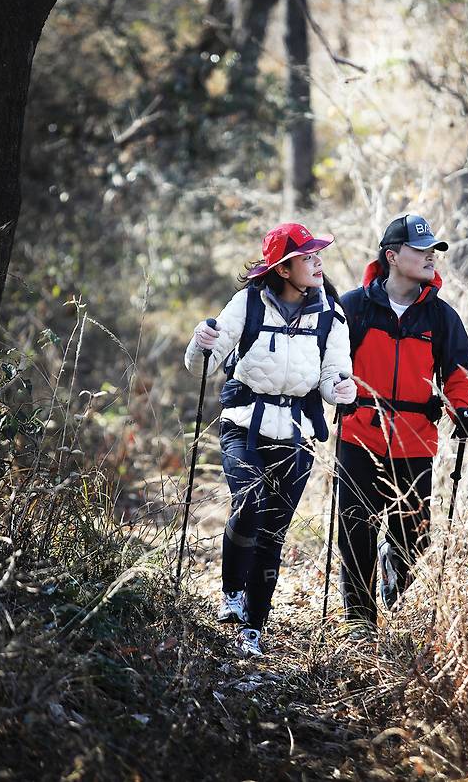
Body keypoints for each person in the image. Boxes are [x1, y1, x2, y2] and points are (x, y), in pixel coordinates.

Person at [184, 222, 356, 658]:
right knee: (250, 500)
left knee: (274, 534)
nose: (318, 262)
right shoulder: (247, 304)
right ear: (283, 268)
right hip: (244, 424)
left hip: (296, 433)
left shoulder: (332, 315)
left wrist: (343, 390)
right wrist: (200, 342)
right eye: (308, 256)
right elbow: (203, 363)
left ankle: (253, 630)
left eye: (319, 255)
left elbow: (334, 375)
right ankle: (231, 595)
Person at [337, 214, 468, 625]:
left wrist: (461, 409)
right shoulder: (352, 308)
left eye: (433, 250)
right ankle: (359, 624)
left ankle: (393, 576)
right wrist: (336, 391)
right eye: (420, 250)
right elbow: (330, 363)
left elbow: (456, 374)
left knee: (414, 537)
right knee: (355, 530)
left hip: (415, 439)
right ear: (393, 256)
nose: (430, 256)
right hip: (359, 435)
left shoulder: (440, 317)